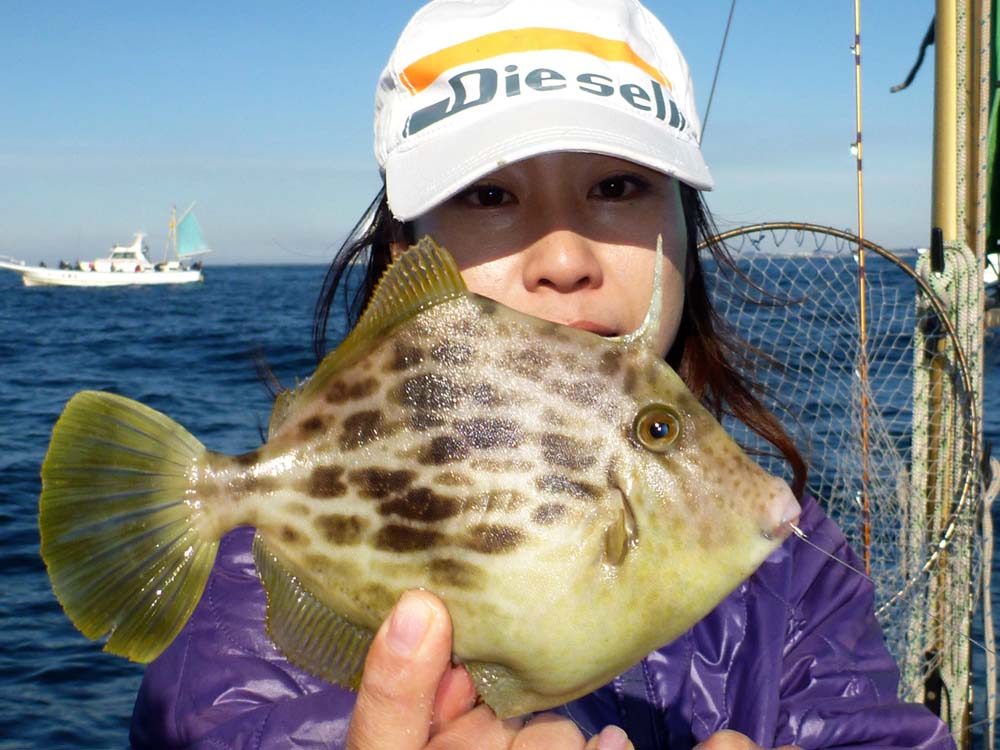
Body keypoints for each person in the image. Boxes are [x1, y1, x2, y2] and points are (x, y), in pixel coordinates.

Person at [129, 1, 956, 748]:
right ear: (405, 255)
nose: (563, 258)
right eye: (489, 195)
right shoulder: (245, 603)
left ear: (686, 230)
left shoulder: (797, 577)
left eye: (618, 185)